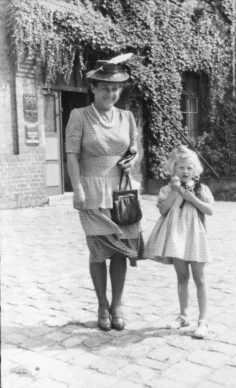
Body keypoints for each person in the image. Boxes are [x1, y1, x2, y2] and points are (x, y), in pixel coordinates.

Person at [65, 58, 144, 332]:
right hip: (92, 191)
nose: (111, 94)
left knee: (121, 250)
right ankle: (102, 303)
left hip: (122, 191)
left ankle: (118, 305)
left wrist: (132, 160)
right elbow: (72, 155)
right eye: (105, 89)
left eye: (116, 89)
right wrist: (77, 188)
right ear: (94, 89)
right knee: (98, 250)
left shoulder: (127, 117)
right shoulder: (79, 116)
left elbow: (133, 149)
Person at [144, 146, 214, 339]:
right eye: (181, 167)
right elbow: (163, 210)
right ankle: (184, 315)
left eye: (189, 168)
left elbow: (209, 210)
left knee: (199, 278)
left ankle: (203, 320)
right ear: (173, 169)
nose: (185, 171)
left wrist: (191, 198)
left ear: (195, 170)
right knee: (182, 277)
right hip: (176, 239)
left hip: (195, 238)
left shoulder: (201, 188)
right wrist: (175, 192)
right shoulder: (167, 189)